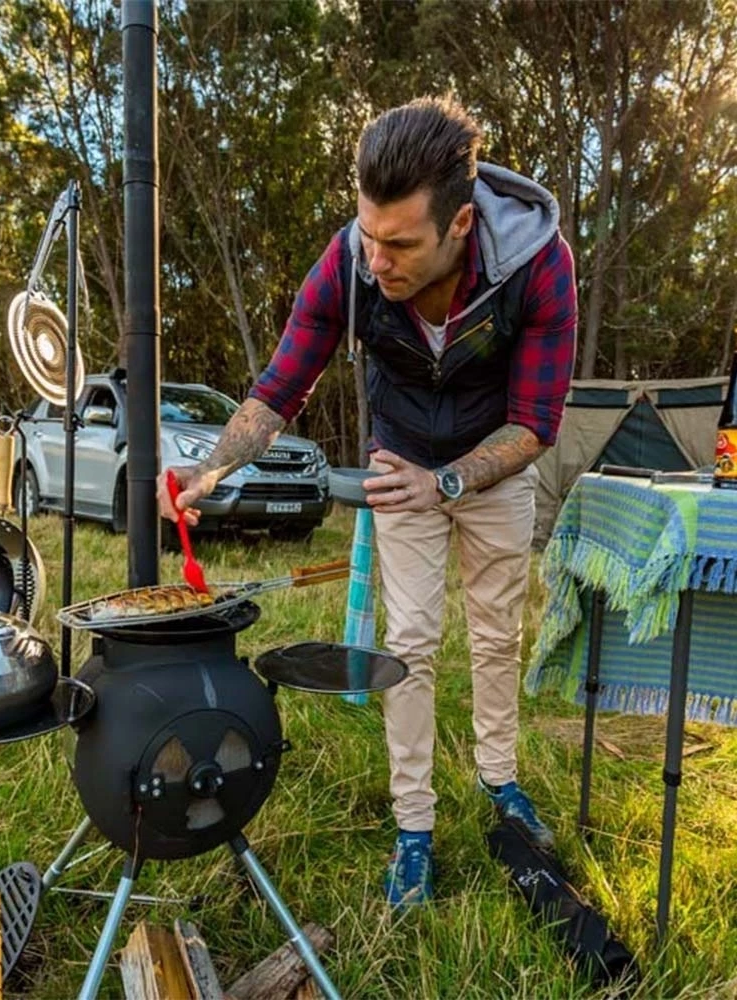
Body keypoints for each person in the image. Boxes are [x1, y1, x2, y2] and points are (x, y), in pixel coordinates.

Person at [157, 95, 577, 910]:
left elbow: (538, 423)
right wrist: (214, 470)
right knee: (411, 641)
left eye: (400, 244)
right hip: (400, 462)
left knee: (496, 633)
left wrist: (449, 480)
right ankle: (413, 828)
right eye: (369, 235)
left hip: (497, 461)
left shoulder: (539, 262)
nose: (376, 260)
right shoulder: (352, 257)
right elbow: (283, 382)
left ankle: (502, 786)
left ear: (459, 227)